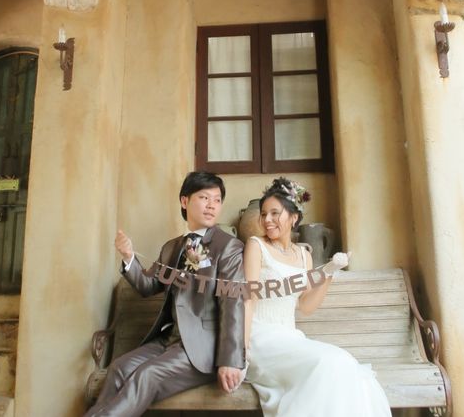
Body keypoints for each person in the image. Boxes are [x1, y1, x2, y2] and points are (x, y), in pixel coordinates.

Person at [85, 171, 246, 417]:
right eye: (204, 198)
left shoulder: (228, 247)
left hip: (204, 349)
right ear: (185, 201)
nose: (212, 205)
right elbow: (148, 286)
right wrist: (129, 258)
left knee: (146, 376)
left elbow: (233, 303)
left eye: (217, 200)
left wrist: (230, 360)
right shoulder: (172, 247)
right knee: (118, 368)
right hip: (168, 340)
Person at [244, 177, 392, 417]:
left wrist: (329, 272)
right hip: (260, 339)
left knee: (347, 366)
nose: (267, 220)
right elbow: (248, 299)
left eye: (274, 213)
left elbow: (306, 306)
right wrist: (241, 349)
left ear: (294, 217)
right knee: (331, 362)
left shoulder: (304, 256)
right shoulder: (256, 246)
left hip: (289, 337)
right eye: (263, 214)